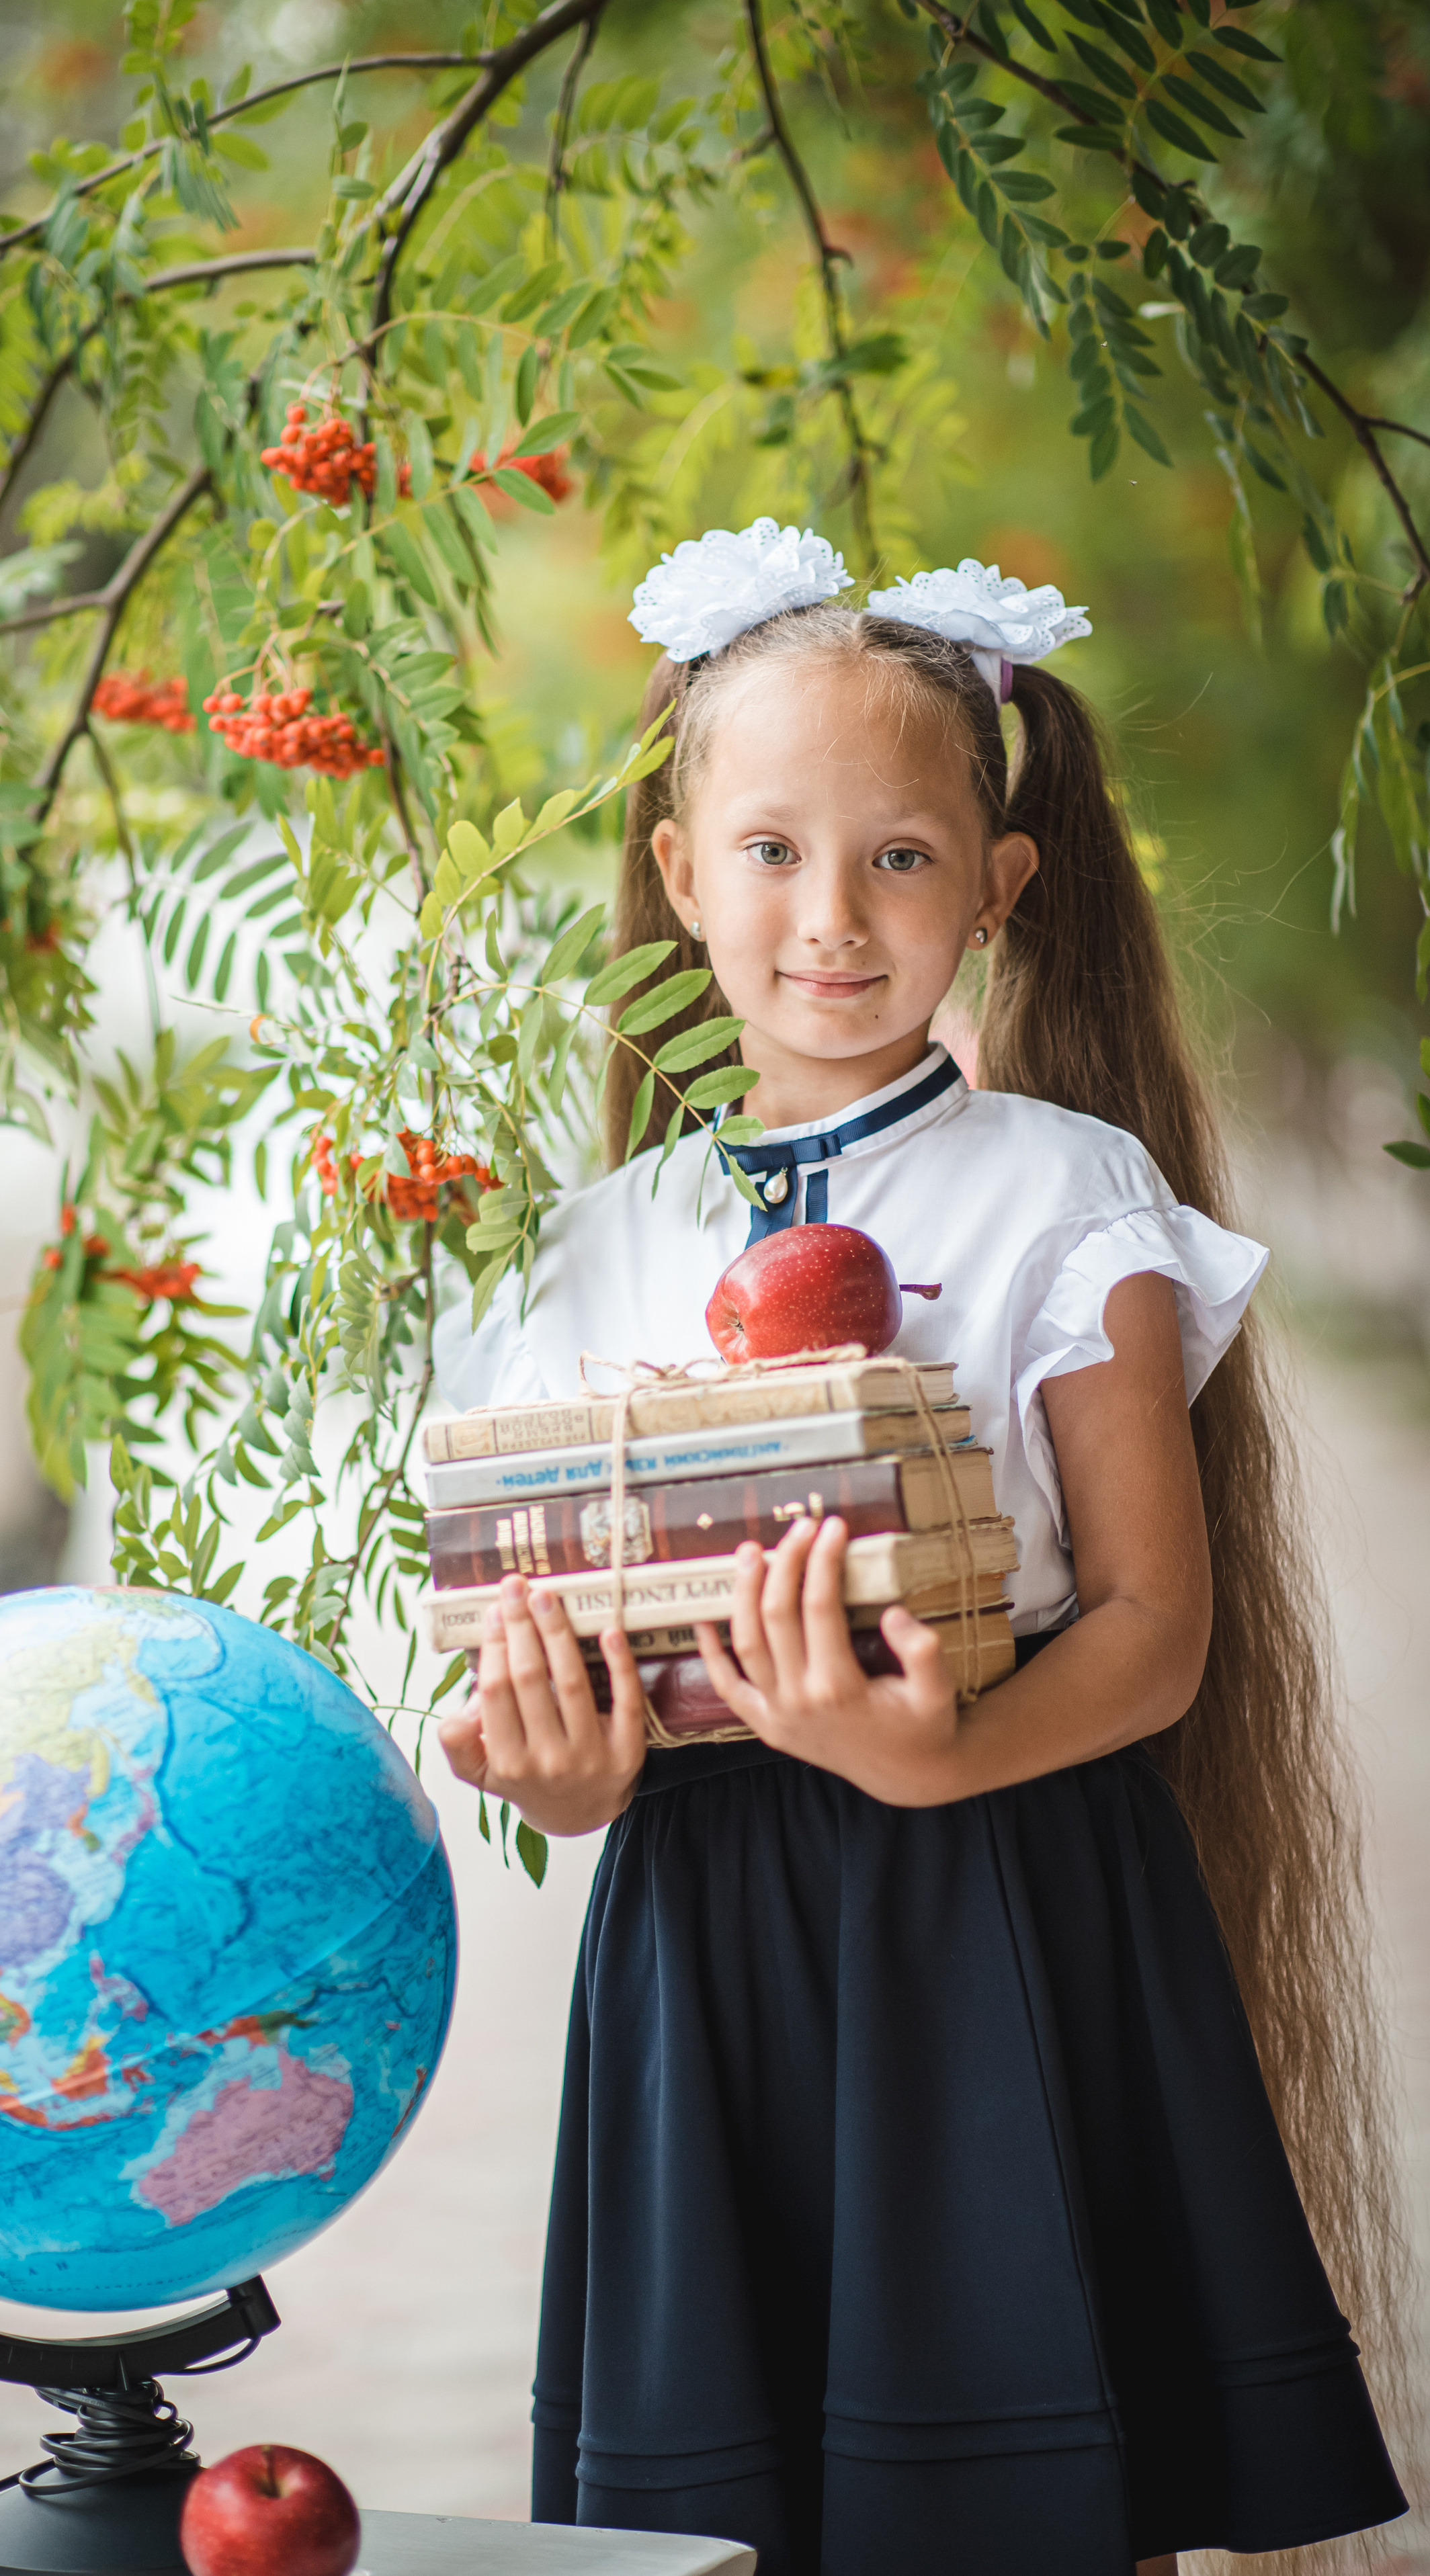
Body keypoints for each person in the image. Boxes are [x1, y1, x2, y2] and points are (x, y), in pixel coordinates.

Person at [432, 525, 1408, 2575]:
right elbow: (558, 1677)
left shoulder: (1072, 1192)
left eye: (898, 853)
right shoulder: (586, 1249)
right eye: (771, 849)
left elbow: (1154, 1627)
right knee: (732, 2517)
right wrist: (561, 1763)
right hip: (708, 1938)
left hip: (1010, 1886)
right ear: (679, 871)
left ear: (1000, 882)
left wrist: (933, 1754)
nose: (832, 914)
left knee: (1040, 2491)